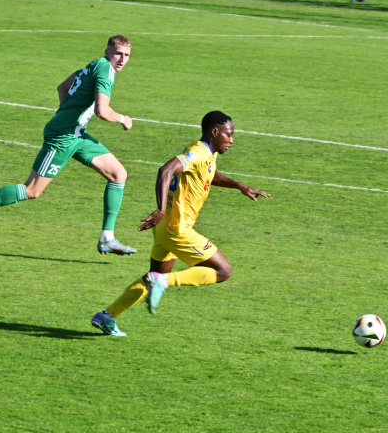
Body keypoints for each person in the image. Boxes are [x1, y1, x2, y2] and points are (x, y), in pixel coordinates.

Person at [0, 35, 138, 256]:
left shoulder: (94, 65)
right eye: (118, 53)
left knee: (118, 174)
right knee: (32, 190)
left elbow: (62, 87)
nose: (122, 59)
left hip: (76, 134)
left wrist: (69, 112)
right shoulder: (105, 70)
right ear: (107, 51)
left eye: (126, 55)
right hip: (62, 136)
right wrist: (123, 119)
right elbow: (102, 111)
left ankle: (108, 238)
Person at [91, 111, 270, 336]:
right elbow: (165, 170)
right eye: (229, 134)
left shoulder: (207, 153)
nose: (232, 140)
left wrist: (239, 186)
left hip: (165, 229)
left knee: (151, 278)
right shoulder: (198, 152)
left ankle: (108, 316)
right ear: (215, 132)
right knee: (223, 271)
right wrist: (161, 208)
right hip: (178, 228)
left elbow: (209, 174)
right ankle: (163, 282)